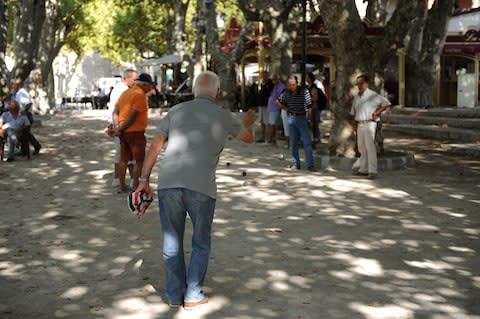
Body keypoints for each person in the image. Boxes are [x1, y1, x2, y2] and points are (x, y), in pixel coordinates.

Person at [135, 71, 256, 310]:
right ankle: (193, 294)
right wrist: (248, 125)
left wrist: (143, 179)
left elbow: (156, 145)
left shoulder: (175, 111)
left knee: (172, 241)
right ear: (218, 93)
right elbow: (247, 139)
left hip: (168, 182)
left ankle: (173, 295)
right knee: (201, 241)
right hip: (202, 186)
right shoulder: (223, 115)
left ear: (193, 91)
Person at [112, 73, 154, 193]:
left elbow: (115, 112)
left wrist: (118, 127)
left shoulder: (126, 93)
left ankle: (121, 186)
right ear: (145, 85)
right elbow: (133, 116)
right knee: (138, 160)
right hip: (135, 131)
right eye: (149, 86)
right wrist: (120, 128)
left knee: (123, 159)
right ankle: (135, 186)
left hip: (123, 131)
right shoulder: (140, 95)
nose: (150, 88)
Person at [350, 74, 391, 179]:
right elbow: (353, 113)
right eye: (357, 84)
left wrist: (377, 112)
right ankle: (363, 169)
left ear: (366, 83)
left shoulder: (373, 95)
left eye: (361, 83)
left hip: (369, 123)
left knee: (370, 147)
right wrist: (354, 127)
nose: (359, 85)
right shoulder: (356, 97)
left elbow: (386, 103)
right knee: (361, 148)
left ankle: (372, 171)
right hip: (360, 124)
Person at [276, 75, 316, 171]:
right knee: (293, 143)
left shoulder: (304, 91)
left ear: (297, 83)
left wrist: (309, 119)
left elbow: (309, 106)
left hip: (302, 118)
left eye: (293, 85)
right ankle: (295, 163)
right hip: (291, 118)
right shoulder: (286, 92)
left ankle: (310, 165)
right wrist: (285, 108)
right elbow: (277, 101)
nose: (291, 87)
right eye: (290, 85)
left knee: (307, 143)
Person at [108, 69, 139, 188]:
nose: (136, 82)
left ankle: (121, 180)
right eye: (135, 79)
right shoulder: (123, 90)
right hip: (124, 126)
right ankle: (124, 181)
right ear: (127, 78)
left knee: (123, 154)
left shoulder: (119, 89)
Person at [12, 79, 41, 155]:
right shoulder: (18, 93)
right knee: (25, 134)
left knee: (24, 133)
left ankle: (35, 146)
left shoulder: (22, 93)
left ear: (18, 85)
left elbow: (29, 103)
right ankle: (25, 150)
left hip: (26, 116)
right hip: (21, 116)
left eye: (14, 85)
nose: (13, 86)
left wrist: (24, 111)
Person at [256, 71, 273, 143]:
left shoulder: (270, 84)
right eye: (262, 76)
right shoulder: (261, 84)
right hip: (261, 105)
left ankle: (270, 138)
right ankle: (262, 137)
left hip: (267, 105)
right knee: (262, 121)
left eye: (264, 76)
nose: (263, 77)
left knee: (267, 122)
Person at [266, 74, 284, 146]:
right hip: (271, 108)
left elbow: (281, 98)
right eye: (272, 79)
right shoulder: (275, 86)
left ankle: (271, 139)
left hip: (275, 108)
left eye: (274, 79)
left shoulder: (281, 87)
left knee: (272, 124)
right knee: (272, 124)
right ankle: (273, 139)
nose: (273, 81)